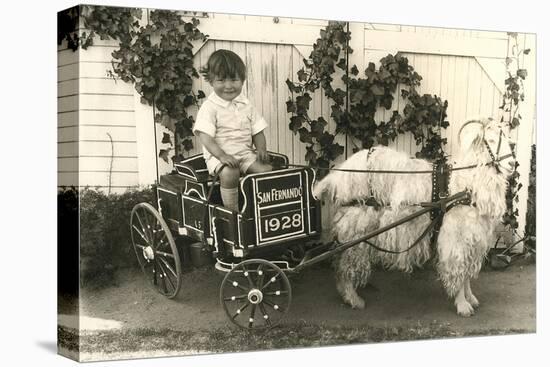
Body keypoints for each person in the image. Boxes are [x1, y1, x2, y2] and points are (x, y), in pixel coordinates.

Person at [193, 49, 272, 211]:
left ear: (242, 80)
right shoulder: (210, 107)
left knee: (266, 171)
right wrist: (222, 156)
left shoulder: (246, 104)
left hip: (245, 154)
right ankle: (233, 211)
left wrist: (261, 149)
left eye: (234, 80)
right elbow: (205, 137)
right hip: (220, 157)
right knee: (230, 173)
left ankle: (260, 209)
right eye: (221, 80)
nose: (228, 86)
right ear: (212, 81)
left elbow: (257, 130)